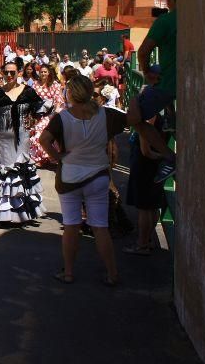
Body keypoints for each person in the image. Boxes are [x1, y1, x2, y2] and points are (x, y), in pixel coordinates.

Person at [38, 74, 127, 286]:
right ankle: (112, 274)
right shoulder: (106, 115)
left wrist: (57, 157)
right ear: (90, 92)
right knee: (100, 227)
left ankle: (68, 272)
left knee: (71, 225)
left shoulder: (63, 117)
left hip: (70, 176)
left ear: (70, 93)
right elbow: (132, 118)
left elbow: (44, 140)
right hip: (97, 176)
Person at [0, 61, 52, 224]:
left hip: (22, 140)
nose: (9, 75)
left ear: (19, 72)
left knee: (19, 173)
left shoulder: (28, 91)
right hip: (1, 141)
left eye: (12, 72)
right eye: (6, 72)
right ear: (2, 73)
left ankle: (21, 213)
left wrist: (32, 124)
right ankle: (4, 213)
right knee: (4, 174)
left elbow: (40, 110)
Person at [128, 0, 178, 182]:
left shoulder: (166, 21)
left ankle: (169, 157)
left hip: (169, 84)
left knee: (134, 118)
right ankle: (170, 117)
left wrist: (147, 71)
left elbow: (143, 52)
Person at [123, 66, 167, 256]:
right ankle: (147, 240)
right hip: (154, 163)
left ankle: (142, 243)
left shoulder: (149, 114)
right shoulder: (164, 103)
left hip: (145, 163)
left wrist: (162, 157)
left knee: (144, 207)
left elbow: (145, 149)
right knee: (152, 205)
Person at [30, 65, 65, 167]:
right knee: (35, 130)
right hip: (37, 113)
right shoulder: (35, 84)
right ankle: (41, 158)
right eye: (41, 72)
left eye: (45, 72)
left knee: (40, 131)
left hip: (51, 113)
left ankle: (48, 157)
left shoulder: (54, 84)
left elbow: (58, 99)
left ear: (49, 73)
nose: (43, 74)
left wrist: (56, 112)